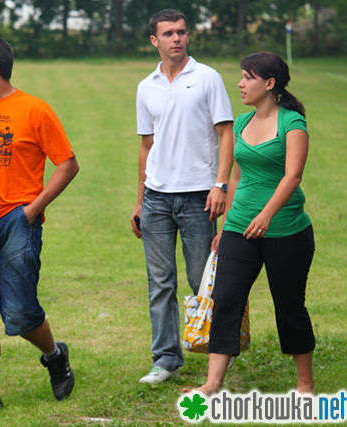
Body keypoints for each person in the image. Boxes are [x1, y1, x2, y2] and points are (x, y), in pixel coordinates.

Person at [0, 35, 79, 412]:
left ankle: (55, 355)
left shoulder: (35, 109)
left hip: (17, 220)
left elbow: (67, 164)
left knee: (21, 313)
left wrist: (32, 208)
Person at [192, 51, 315, 395]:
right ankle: (213, 383)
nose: (240, 83)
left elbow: (293, 176)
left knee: (289, 305)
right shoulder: (243, 123)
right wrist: (227, 224)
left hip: (286, 230)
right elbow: (236, 175)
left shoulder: (293, 123)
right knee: (226, 298)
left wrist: (267, 215)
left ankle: (304, 384)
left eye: (248, 77)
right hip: (239, 227)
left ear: (270, 84)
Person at [130, 8, 235, 384]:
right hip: (157, 198)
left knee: (201, 280)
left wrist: (220, 184)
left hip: (198, 198)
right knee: (160, 283)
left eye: (182, 32)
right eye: (168, 33)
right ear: (154, 41)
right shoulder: (146, 86)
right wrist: (141, 199)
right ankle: (166, 359)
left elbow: (226, 134)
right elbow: (147, 146)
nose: (177, 38)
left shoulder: (208, 78)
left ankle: (220, 351)